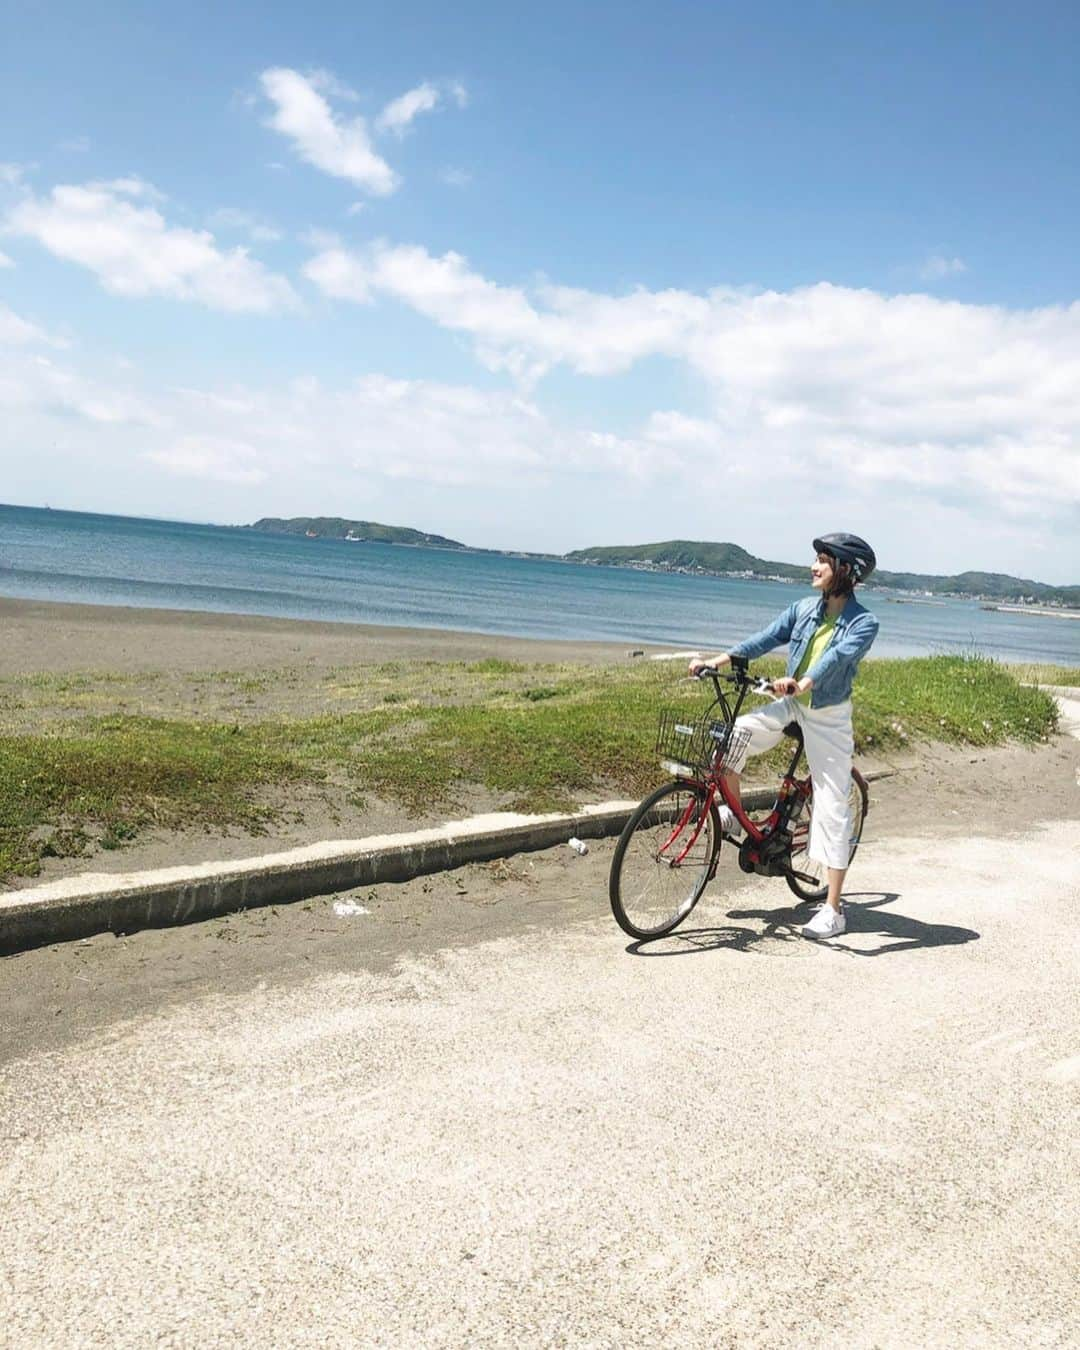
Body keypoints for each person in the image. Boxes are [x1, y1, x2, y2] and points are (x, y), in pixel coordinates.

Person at [689, 533, 879, 940]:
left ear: (846, 571)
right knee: (735, 734)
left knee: (830, 807)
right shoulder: (804, 609)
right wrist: (715, 660)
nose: (814, 566)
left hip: (828, 715)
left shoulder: (864, 622)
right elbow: (765, 638)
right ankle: (736, 819)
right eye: (815, 559)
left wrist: (803, 681)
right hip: (795, 704)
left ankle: (833, 910)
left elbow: (838, 657)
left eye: (824, 561)